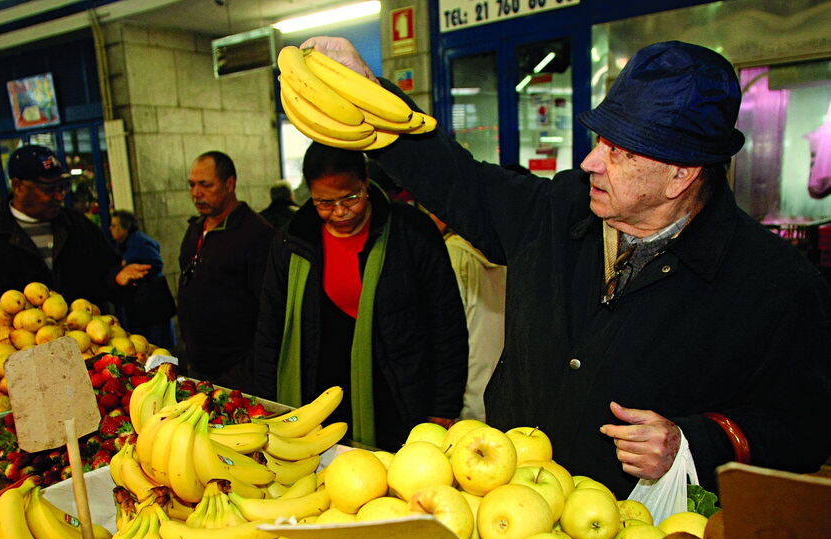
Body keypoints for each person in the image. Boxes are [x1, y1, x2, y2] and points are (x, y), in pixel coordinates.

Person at [303, 37, 831, 496]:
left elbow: (805, 429)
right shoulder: (559, 211)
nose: (589, 163)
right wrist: (365, 87)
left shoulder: (773, 286)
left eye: (620, 151)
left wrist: (697, 441)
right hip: (506, 509)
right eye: (600, 139)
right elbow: (456, 177)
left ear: (681, 174)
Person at [252, 142, 468, 451]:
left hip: (398, 400)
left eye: (350, 197)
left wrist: (444, 406)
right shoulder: (292, 240)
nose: (339, 212)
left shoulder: (411, 233)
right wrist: (268, 404)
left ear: (366, 181)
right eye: (324, 202)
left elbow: (447, 325)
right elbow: (270, 328)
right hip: (316, 401)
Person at [0, 145, 149, 307]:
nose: (59, 197)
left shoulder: (77, 225)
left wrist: (117, 277)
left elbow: (105, 271)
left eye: (61, 188)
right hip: (15, 351)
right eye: (48, 189)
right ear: (18, 186)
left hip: (83, 344)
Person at [177, 151, 274, 387]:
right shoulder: (195, 229)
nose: (196, 193)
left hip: (238, 373)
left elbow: (268, 310)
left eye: (205, 185)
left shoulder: (256, 234)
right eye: (192, 185)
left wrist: (249, 370)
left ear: (230, 184)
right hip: (198, 365)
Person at [426, 210, 506, 422]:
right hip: (499, 384)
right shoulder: (509, 253)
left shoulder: (452, 254)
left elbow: (445, 331)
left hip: (464, 389)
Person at [109, 210, 176, 348]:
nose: (111, 229)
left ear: (125, 228)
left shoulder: (140, 242)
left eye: (115, 225)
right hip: (140, 307)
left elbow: (156, 263)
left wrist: (133, 268)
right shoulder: (122, 245)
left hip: (150, 306)